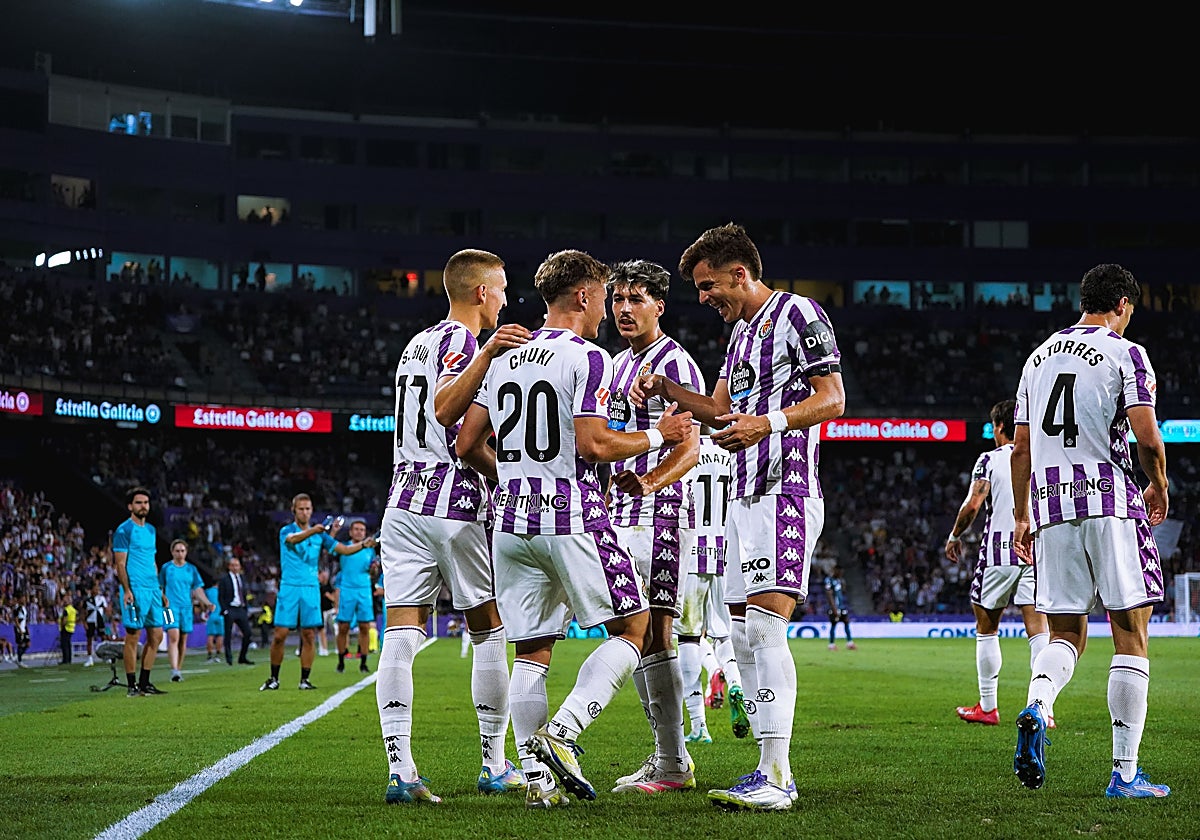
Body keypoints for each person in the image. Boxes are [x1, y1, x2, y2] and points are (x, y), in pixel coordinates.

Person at [456, 248, 694, 808]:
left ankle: (539, 786)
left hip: (510, 523)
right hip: (572, 515)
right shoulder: (589, 357)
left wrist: (517, 479)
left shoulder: (504, 357)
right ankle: (562, 734)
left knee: (532, 650)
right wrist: (657, 435)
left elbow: (466, 443)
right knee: (634, 629)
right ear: (585, 295)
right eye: (607, 297)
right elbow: (594, 445)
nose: (609, 309)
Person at [629, 223, 845, 811]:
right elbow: (721, 411)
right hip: (744, 496)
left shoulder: (799, 313)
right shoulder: (741, 334)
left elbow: (833, 399)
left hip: (786, 488)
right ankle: (765, 767)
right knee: (744, 634)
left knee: (766, 628)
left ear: (740, 273)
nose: (703, 298)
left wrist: (767, 423)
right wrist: (667, 387)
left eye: (708, 286)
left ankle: (778, 776)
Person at [375, 248, 532, 805]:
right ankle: (494, 762)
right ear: (481, 292)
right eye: (502, 289)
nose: (506, 300)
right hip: (454, 501)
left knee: (401, 634)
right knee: (488, 629)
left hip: (402, 503)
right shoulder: (465, 345)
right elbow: (451, 420)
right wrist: (514, 476)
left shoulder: (414, 344)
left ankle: (401, 771)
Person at [1011, 264, 1170, 798]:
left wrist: (1022, 515)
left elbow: (1021, 449)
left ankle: (1038, 704)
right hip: (1110, 501)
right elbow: (1147, 436)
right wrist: (1159, 485)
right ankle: (1124, 773)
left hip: (1050, 507)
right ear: (1123, 304)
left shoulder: (1037, 357)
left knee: (1065, 634)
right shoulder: (1126, 353)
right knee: (1130, 633)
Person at [599, 259, 705, 794]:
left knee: (656, 632)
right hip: (619, 513)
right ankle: (669, 758)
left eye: (635, 299)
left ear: (659, 306)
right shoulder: (618, 363)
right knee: (631, 631)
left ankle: (672, 762)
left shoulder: (676, 363)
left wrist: (648, 482)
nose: (624, 308)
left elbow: (691, 446)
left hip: (661, 512)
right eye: (618, 299)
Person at [945, 399, 1048, 725]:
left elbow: (973, 504)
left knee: (987, 628)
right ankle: (1043, 708)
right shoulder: (1040, 455)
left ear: (1000, 427)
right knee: (1039, 630)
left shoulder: (989, 459)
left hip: (999, 552)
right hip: (1035, 549)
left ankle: (988, 707)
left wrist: (955, 535)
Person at [678, 430, 741, 745]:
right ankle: (735, 683)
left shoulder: (686, 448)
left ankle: (699, 726)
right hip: (725, 552)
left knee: (688, 637)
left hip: (691, 551)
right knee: (724, 634)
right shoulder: (732, 452)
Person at [113, 486, 169, 696]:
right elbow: (120, 563)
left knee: (156, 636)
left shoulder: (151, 530)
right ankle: (131, 685)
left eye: (145, 503)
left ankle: (145, 682)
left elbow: (152, 561)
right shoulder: (123, 530)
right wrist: (127, 590)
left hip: (152, 589)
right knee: (133, 636)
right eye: (138, 503)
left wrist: (159, 589)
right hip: (135, 588)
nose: (143, 506)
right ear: (130, 506)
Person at [159, 539, 215, 682]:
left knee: (183, 639)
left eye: (182, 551)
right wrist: (162, 599)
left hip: (186, 608)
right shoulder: (166, 568)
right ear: (172, 552)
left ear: (186, 552)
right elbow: (160, 587)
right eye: (177, 551)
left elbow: (197, 589)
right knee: (173, 636)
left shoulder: (191, 569)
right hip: (169, 608)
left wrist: (207, 602)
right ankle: (174, 670)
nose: (180, 553)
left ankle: (178, 669)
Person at [333, 519, 379, 674]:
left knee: (365, 626)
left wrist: (374, 568)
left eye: (362, 530)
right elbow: (331, 550)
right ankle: (341, 661)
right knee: (343, 627)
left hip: (364, 590)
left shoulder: (370, 550)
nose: (359, 532)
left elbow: (372, 573)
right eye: (357, 529)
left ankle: (363, 662)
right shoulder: (344, 547)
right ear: (351, 532)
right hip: (347, 590)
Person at [220, 557, 255, 666]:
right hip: (230, 608)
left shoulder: (242, 578)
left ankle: (242, 657)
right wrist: (225, 610)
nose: (235, 567)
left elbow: (244, 593)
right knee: (228, 634)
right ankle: (229, 658)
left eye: (237, 565)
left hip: (240, 608)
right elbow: (221, 596)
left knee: (248, 633)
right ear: (229, 567)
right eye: (233, 565)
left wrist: (245, 608)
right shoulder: (224, 579)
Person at [823, 565, 856, 651]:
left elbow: (842, 592)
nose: (841, 574)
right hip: (834, 607)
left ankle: (850, 643)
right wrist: (834, 608)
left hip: (841, 606)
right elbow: (829, 594)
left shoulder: (839, 580)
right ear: (835, 570)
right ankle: (831, 645)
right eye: (840, 572)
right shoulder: (829, 580)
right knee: (834, 624)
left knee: (846, 621)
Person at [83, 582, 112, 667]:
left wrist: (108, 618)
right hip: (90, 621)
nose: (97, 590)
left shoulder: (101, 598)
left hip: (100, 621)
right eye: (95, 588)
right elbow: (84, 612)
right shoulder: (87, 600)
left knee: (103, 638)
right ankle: (90, 659)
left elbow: (106, 609)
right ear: (91, 590)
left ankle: (106, 656)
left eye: (97, 589)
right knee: (89, 639)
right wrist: (84, 622)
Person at [203, 581, 224, 664]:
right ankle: (218, 656)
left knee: (210, 636)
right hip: (221, 616)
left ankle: (209, 655)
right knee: (220, 636)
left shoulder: (208, 591)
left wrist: (204, 609)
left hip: (211, 615)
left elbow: (203, 601)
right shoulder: (222, 591)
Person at [318, 569, 336, 658]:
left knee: (335, 629)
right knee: (322, 630)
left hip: (331, 610)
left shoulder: (329, 586)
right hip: (322, 611)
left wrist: (330, 597)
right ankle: (323, 649)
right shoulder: (318, 586)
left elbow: (334, 597)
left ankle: (338, 648)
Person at [57, 594, 77, 665]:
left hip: (65, 628)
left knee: (64, 645)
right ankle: (69, 660)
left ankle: (65, 660)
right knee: (68, 645)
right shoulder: (73, 609)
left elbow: (64, 620)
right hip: (71, 628)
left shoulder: (66, 610)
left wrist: (62, 626)